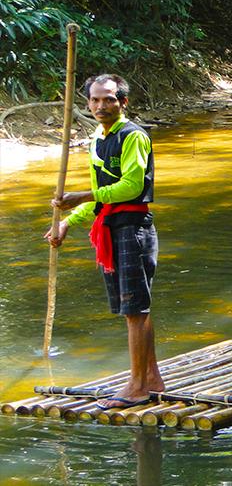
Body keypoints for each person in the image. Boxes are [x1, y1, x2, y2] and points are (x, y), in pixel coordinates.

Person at [44, 74, 164, 410]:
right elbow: (102, 198)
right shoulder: (98, 138)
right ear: (87, 104)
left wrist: (81, 194)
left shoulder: (133, 136)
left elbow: (130, 187)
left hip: (133, 227)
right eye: (95, 100)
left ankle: (138, 386)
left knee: (135, 309)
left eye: (109, 99)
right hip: (112, 225)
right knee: (135, 308)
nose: (101, 106)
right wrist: (69, 221)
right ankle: (151, 378)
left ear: (123, 102)